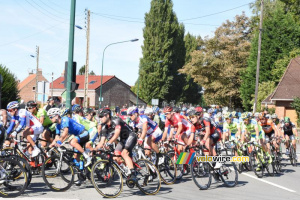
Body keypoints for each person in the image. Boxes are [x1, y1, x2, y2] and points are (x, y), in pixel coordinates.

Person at [97, 108, 137, 182]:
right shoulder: (104, 127)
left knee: (124, 153)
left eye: (102, 116)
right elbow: (101, 142)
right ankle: (128, 168)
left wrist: (109, 142)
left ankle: (133, 173)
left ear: (107, 115)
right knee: (115, 157)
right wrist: (94, 150)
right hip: (123, 139)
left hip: (130, 136)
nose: (100, 118)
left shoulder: (116, 120)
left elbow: (116, 134)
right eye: (99, 117)